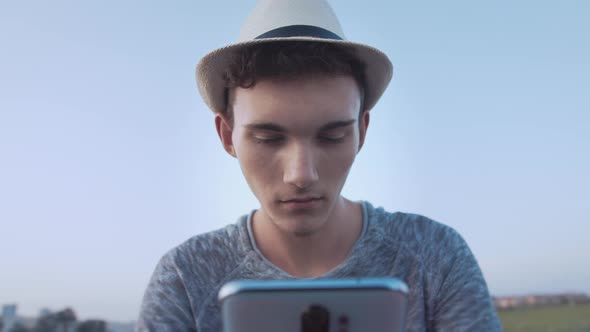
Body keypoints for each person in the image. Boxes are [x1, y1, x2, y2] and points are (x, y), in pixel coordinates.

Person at [137, 0, 501, 331]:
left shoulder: (436, 257)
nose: (301, 175)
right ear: (228, 135)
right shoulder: (184, 279)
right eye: (268, 138)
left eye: (332, 136)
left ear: (361, 130)